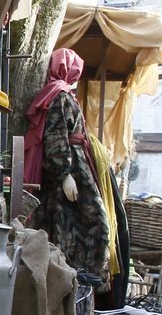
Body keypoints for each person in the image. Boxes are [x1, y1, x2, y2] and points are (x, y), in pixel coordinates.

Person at [25, 48, 110, 284]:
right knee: (93, 224)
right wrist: (65, 174)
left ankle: (77, 280)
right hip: (71, 171)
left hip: (76, 167)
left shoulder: (62, 95)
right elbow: (55, 136)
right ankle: (76, 278)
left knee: (76, 224)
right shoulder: (59, 97)